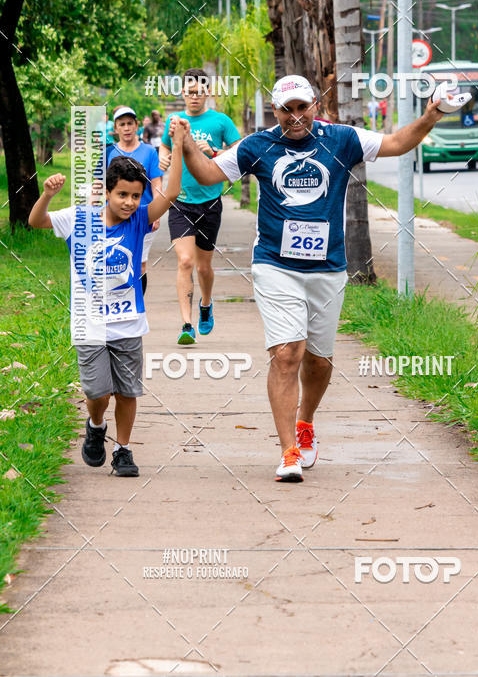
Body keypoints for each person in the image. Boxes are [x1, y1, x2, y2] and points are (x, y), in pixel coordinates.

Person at [170, 74, 445, 482]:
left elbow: (396, 143)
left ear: (315, 105)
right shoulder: (258, 146)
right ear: (275, 110)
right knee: (287, 354)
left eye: (302, 107)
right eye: (287, 109)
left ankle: (306, 421)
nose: (295, 117)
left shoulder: (342, 139)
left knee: (318, 359)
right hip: (274, 265)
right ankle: (288, 452)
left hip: (327, 268)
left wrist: (432, 115)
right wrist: (187, 144)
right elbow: (210, 174)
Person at [27, 125, 185, 476]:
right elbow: (36, 221)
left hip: (128, 320)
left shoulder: (140, 219)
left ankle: (124, 450)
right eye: (123, 195)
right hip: (90, 322)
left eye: (135, 196)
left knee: (128, 391)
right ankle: (96, 425)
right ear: (108, 192)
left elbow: (171, 192)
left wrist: (177, 146)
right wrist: (47, 195)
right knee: (98, 392)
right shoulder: (80, 219)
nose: (130, 202)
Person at [159, 68, 240, 344]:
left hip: (210, 202)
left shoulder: (220, 121)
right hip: (180, 201)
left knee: (204, 267)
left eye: (199, 92)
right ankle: (186, 324)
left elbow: (240, 151)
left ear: (207, 93)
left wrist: (215, 152)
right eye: (189, 92)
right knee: (184, 261)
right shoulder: (175, 121)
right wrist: (164, 158)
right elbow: (164, 146)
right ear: (182, 93)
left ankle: (206, 304)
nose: (194, 96)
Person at [103, 106, 163, 294]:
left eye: (130, 123)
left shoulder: (149, 152)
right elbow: (99, 186)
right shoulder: (107, 152)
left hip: (142, 216)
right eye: (122, 124)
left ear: (137, 126)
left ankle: (137, 304)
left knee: (140, 265)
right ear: (116, 128)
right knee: (115, 263)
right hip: (113, 218)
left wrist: (157, 213)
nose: (127, 128)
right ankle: (117, 303)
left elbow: (157, 183)